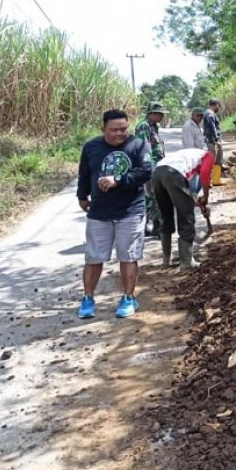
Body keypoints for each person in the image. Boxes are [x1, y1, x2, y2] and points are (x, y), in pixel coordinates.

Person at [76, 109, 152, 319]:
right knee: (93, 258)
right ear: (103, 129)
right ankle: (88, 299)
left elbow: (146, 171)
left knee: (128, 256)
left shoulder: (138, 145)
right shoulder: (91, 147)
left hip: (130, 212)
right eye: (114, 130)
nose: (120, 133)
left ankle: (128, 297)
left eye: (123, 129)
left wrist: (117, 180)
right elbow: (84, 174)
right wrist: (82, 196)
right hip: (99, 212)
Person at [152, 148, 216, 271]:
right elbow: (204, 176)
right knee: (186, 217)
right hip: (173, 174)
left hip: (157, 174)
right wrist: (206, 197)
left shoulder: (188, 158)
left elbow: (188, 193)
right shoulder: (208, 156)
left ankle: (166, 260)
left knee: (166, 216)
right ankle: (186, 262)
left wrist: (200, 203)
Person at [136, 101, 168, 237]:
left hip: (157, 165)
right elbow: (144, 149)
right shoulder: (144, 126)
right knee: (150, 197)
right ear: (152, 114)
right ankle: (147, 227)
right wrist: (149, 169)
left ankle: (155, 226)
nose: (162, 117)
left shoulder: (154, 126)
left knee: (157, 196)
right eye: (160, 114)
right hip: (149, 167)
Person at [203, 98, 224, 167]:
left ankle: (216, 175)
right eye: (218, 105)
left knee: (214, 159)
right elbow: (212, 127)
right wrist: (216, 139)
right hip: (212, 140)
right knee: (212, 159)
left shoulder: (209, 113)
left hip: (212, 139)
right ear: (215, 105)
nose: (218, 107)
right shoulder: (210, 113)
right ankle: (212, 176)